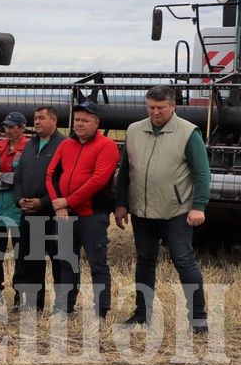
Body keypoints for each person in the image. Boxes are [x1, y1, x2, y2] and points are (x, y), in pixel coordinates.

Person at [115, 85, 210, 333]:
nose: (155, 112)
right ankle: (142, 314)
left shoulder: (188, 132)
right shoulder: (134, 130)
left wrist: (198, 206)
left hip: (175, 210)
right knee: (145, 261)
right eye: (150, 107)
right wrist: (122, 203)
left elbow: (202, 173)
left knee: (183, 261)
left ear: (172, 106)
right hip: (142, 211)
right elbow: (125, 171)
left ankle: (198, 318)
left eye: (160, 108)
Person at [45, 101, 119, 318]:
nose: (79, 124)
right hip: (66, 214)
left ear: (96, 123)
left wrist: (67, 201)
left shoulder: (107, 146)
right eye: (77, 120)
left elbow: (98, 180)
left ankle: (101, 311)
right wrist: (58, 203)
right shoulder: (66, 144)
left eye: (85, 121)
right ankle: (65, 307)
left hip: (92, 215)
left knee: (98, 264)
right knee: (67, 261)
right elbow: (51, 174)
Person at [12, 106, 67, 312]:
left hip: (53, 214)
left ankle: (61, 306)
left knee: (58, 260)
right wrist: (19, 200)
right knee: (32, 260)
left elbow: (63, 180)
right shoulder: (29, 144)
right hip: (29, 213)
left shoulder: (64, 144)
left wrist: (42, 202)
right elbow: (18, 176)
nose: (37, 122)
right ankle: (35, 305)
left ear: (54, 121)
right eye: (35, 118)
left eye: (42, 118)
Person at [0, 111, 29, 307]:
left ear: (22, 128)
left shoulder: (29, 148)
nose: (7, 130)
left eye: (12, 126)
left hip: (19, 210)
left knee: (21, 255)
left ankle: (20, 295)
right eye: (6, 126)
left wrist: (2, 176)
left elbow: (24, 178)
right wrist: (10, 179)